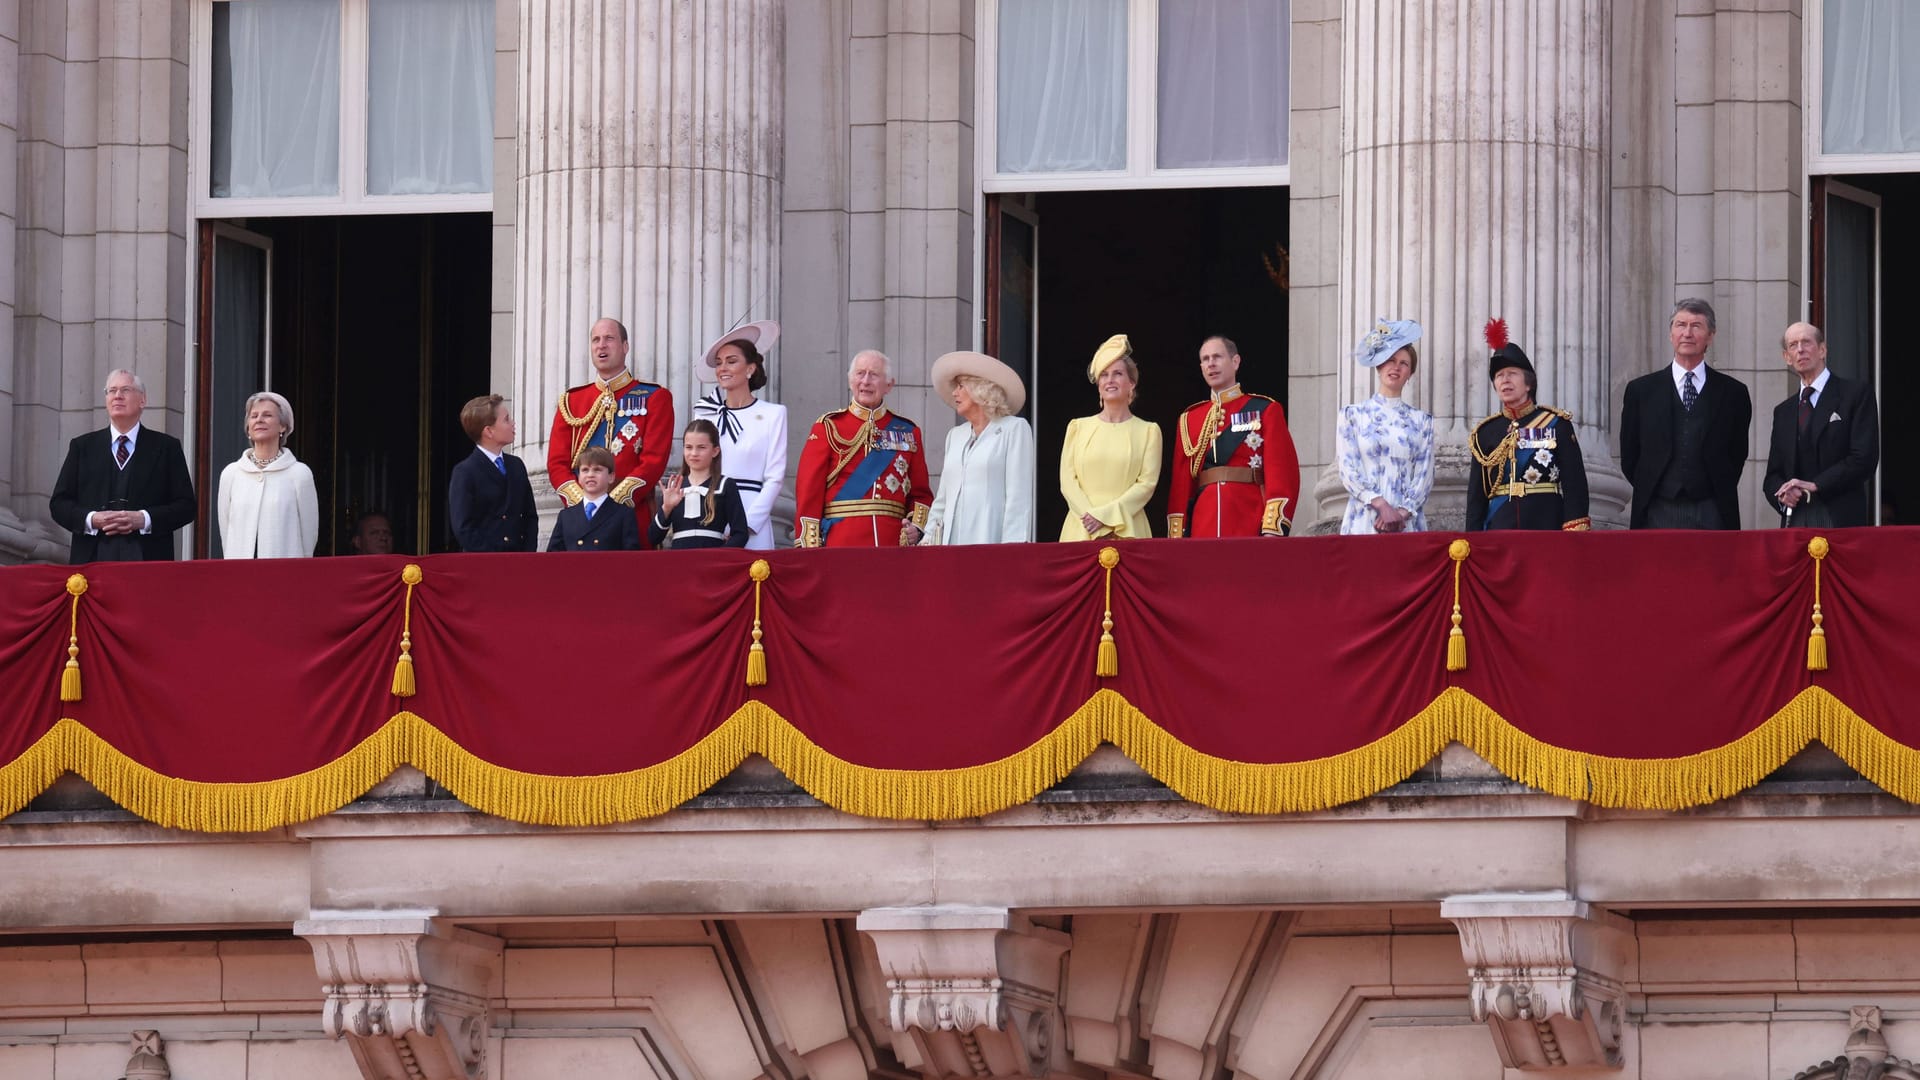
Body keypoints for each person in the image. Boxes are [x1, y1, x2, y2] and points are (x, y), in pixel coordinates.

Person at [1619, 298, 1752, 529]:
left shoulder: (1733, 393)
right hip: (1656, 508)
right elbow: (1630, 454)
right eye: (1680, 325)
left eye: (1696, 326)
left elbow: (1737, 452)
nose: (1687, 333)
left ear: (1710, 336)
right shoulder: (1641, 390)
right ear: (1671, 334)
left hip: (1713, 509)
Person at [547, 317, 674, 541]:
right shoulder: (572, 401)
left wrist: (611, 507)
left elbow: (653, 461)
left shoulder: (654, 397)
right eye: (596, 340)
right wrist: (585, 504)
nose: (601, 345)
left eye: (609, 339)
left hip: (631, 517)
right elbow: (557, 463)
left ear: (625, 347)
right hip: (581, 520)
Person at [49, 368, 196, 563]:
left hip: (147, 561)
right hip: (92, 560)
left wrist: (143, 519)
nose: (117, 396)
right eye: (112, 390)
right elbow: (59, 504)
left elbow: (186, 506)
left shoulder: (166, 447)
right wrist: (92, 519)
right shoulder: (83, 446)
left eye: (125, 390)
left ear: (142, 400)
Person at [794, 350, 933, 547]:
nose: (865, 381)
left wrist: (916, 529)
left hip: (892, 543)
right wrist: (809, 546)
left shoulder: (909, 431)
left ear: (889, 385)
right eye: (860, 373)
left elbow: (921, 494)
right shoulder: (828, 427)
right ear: (851, 380)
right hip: (840, 542)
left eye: (874, 375)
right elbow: (809, 490)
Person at [1167, 335, 1300, 538]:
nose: (1211, 364)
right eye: (1205, 359)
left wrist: (1272, 529)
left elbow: (1282, 472)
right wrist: (1177, 536)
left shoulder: (1265, 409)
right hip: (1204, 522)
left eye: (1217, 357)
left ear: (1235, 362)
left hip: (1249, 516)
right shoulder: (1190, 419)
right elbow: (1181, 486)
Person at [1465, 320, 1591, 531]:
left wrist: (1574, 530)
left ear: (1529, 383)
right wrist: (1474, 538)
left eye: (1512, 374)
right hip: (1500, 526)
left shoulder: (1556, 424)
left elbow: (1574, 482)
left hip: (1546, 525)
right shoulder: (1484, 433)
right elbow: (1476, 497)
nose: (1504, 380)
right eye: (1498, 376)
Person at [1762, 322, 1880, 528]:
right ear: (1787, 357)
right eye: (1793, 345)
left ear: (1822, 350)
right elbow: (1773, 474)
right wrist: (1782, 496)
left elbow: (1864, 458)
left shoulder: (1855, 394)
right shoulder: (1783, 411)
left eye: (1806, 342)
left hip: (1840, 517)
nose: (1800, 349)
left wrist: (1816, 485)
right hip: (1795, 520)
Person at [919, 351, 1035, 545]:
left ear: (980, 389)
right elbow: (943, 498)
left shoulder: (1013, 429)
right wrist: (929, 539)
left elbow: (1018, 499)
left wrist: (1013, 550)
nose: (954, 393)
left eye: (960, 386)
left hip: (990, 541)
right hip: (951, 546)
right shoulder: (955, 435)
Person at [691, 321, 789, 549]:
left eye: (731, 361)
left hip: (753, 517)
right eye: (719, 363)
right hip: (709, 515)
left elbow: (774, 477)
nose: (723, 368)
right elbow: (696, 469)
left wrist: (746, 525)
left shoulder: (774, 414)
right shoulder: (705, 413)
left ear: (750, 368)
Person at [1059, 334, 1161, 541]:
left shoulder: (1149, 431)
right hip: (1082, 528)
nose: (1110, 380)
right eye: (1104, 375)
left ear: (1131, 383)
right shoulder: (1077, 427)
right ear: (1098, 384)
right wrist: (1091, 518)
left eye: (1117, 374)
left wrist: (1106, 517)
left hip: (1127, 528)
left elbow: (1146, 484)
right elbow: (1068, 482)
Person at [1337, 319, 1435, 534]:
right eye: (1390, 360)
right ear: (1379, 366)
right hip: (1364, 518)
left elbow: (1424, 474)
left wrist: (1402, 512)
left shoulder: (1422, 421)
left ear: (1410, 374)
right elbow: (1348, 468)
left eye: (1404, 363)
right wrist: (1380, 504)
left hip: (1406, 522)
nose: (1396, 367)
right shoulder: (1353, 415)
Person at [215, 391, 319, 558]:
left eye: (267, 415)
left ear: (283, 426)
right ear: (248, 427)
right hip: (241, 574)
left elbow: (309, 534)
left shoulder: (299, 473)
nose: (259, 420)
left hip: (284, 574)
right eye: (254, 416)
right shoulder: (231, 473)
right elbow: (226, 531)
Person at [449, 394, 538, 552]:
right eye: (506, 419)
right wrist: (494, 558)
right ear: (489, 431)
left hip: (519, 561)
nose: (513, 423)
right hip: (484, 563)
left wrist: (527, 555)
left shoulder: (516, 465)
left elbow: (530, 516)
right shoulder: (465, 472)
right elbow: (463, 527)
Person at [650, 419, 751, 549]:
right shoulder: (674, 487)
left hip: (713, 563)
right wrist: (667, 508)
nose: (694, 454)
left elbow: (741, 534)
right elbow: (653, 537)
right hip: (678, 562)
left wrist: (719, 557)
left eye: (701, 447)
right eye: (688, 447)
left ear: (715, 451)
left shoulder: (726, 485)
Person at [548, 447, 642, 551]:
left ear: (611, 477)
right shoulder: (566, 516)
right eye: (585, 470)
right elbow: (553, 558)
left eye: (597, 470)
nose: (590, 475)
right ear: (578, 477)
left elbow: (630, 558)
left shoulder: (623, 514)